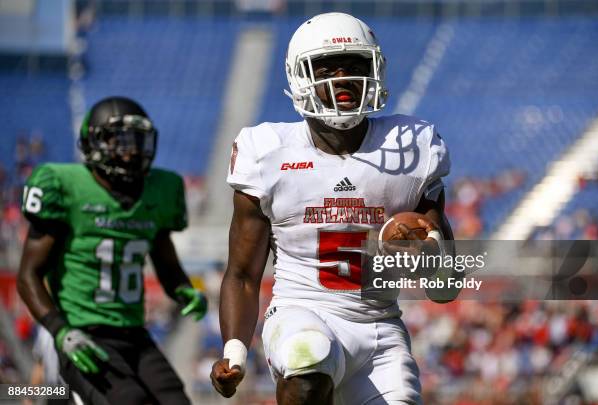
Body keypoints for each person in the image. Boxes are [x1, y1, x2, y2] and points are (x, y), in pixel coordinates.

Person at [210, 12, 455, 405]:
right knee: (308, 360)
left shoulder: (412, 148)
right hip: (302, 312)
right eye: (328, 68)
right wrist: (234, 350)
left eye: (355, 66)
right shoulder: (267, 152)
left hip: (380, 328)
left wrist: (430, 254)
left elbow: (445, 288)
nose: (343, 78)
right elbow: (242, 273)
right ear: (300, 76)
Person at [17, 96, 208, 405]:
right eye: (119, 140)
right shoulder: (64, 187)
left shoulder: (160, 190)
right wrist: (60, 331)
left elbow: (164, 258)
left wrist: (182, 289)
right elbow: (28, 275)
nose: (131, 149)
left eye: (137, 140)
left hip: (135, 334)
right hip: (84, 334)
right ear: (93, 142)